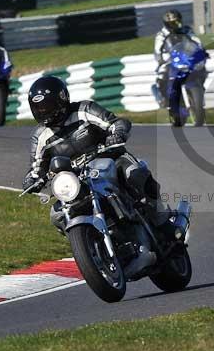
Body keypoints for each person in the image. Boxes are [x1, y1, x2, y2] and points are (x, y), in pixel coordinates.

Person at [22, 75, 176, 236]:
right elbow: (36, 167)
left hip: (110, 160)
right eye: (38, 108)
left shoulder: (84, 110)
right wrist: (32, 180)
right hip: (76, 181)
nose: (43, 111)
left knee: (136, 173)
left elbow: (116, 123)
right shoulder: (40, 136)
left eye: (47, 106)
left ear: (61, 99)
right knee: (57, 215)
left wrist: (117, 134)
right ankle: (90, 245)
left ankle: (163, 221)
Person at [152, 9, 205, 108]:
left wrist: (201, 50)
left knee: (201, 69)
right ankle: (164, 98)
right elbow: (157, 49)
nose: (176, 25)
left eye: (178, 21)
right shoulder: (162, 34)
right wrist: (160, 59)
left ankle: (199, 90)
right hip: (169, 60)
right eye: (173, 23)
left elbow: (195, 40)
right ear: (167, 24)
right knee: (162, 76)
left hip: (185, 58)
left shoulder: (186, 30)